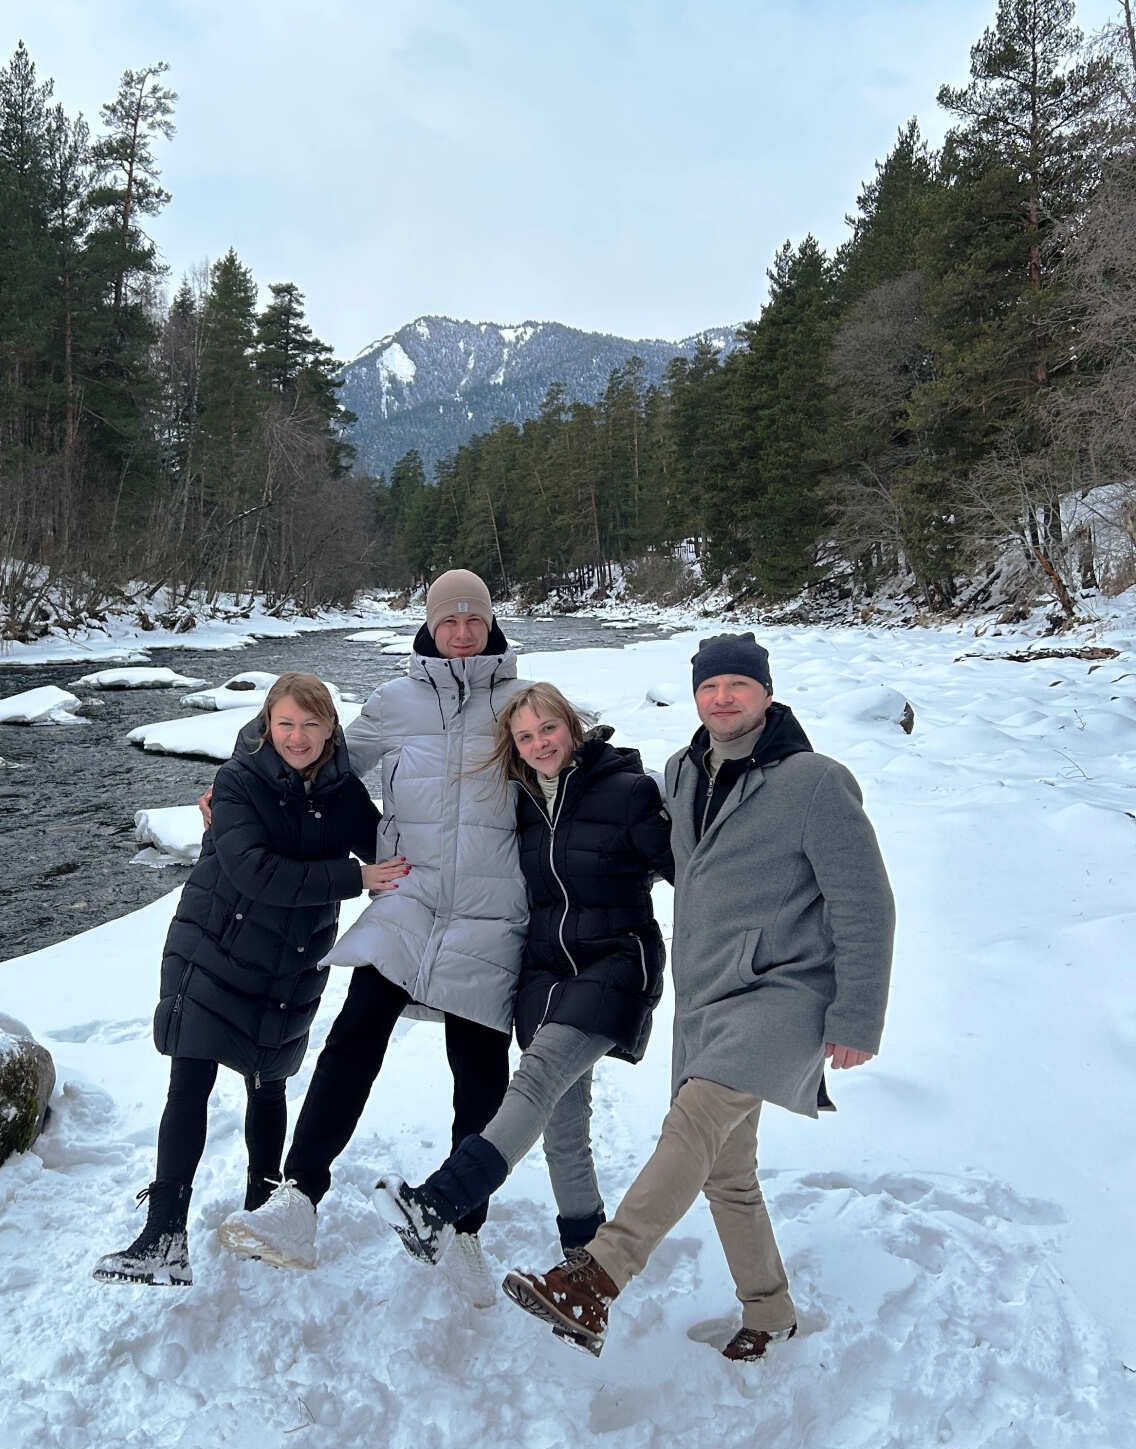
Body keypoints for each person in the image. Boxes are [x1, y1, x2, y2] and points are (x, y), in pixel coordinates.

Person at [503, 632, 895, 1360]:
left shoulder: (816, 781)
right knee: (726, 1172)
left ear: (766, 692)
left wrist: (857, 1016)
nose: (723, 698)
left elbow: (865, 904)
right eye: (709, 687)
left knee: (692, 1125)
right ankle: (770, 1311)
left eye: (738, 685)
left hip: (785, 991)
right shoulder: (683, 773)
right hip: (708, 995)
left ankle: (597, 1277)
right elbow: (668, 862)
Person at [216, 569, 528, 1304]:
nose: (461, 633)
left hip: (491, 908)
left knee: (479, 1067)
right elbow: (318, 762)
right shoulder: (395, 701)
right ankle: (298, 1200)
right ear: (429, 626)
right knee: (356, 1034)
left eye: (473, 620)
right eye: (448, 620)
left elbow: (567, 768)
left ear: (490, 624)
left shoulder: (522, 702)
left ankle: (463, 1230)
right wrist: (238, 785)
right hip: (409, 893)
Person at [93, 672, 404, 1286]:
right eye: (285, 723)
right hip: (214, 946)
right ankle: (163, 1235)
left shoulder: (343, 794)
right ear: (267, 724)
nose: (297, 737)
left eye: (311, 724)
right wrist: (353, 879)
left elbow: (388, 849)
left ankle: (264, 1214)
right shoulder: (238, 781)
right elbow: (253, 872)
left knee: (268, 1083)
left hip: (290, 963)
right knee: (191, 1078)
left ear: (331, 729)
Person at [371, 682, 674, 1274]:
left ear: (572, 727)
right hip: (544, 974)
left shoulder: (629, 791)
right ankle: (587, 1265)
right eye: (526, 736)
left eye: (549, 729)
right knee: (562, 1125)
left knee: (534, 1083)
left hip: (614, 964)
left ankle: (438, 1205)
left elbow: (689, 865)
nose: (540, 745)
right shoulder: (519, 803)